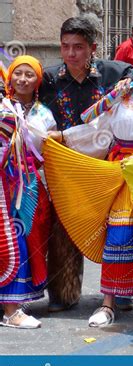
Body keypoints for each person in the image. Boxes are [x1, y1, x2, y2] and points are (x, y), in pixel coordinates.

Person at [48, 40, 133, 327]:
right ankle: (108, 302)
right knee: (117, 236)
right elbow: (98, 128)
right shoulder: (121, 97)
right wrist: (63, 138)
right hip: (121, 170)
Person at [39, 16, 133, 313]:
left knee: (115, 228)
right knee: (64, 226)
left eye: (78, 47)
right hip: (66, 167)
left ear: (93, 47)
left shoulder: (114, 73)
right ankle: (63, 292)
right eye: (65, 47)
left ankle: (121, 291)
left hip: (107, 166)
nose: (70, 54)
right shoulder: (49, 79)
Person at [0, 56, 56, 329]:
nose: (22, 79)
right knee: (9, 242)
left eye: (29, 74)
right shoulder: (3, 109)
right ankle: (10, 309)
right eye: (17, 73)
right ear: (9, 77)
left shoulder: (44, 114)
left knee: (26, 240)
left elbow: (52, 153)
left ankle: (15, 301)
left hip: (30, 186)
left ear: (38, 81)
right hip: (5, 185)